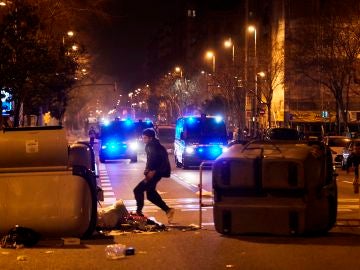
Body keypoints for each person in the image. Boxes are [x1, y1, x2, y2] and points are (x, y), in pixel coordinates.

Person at [133, 128, 175, 223]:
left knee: (138, 190)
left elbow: (156, 160)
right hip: (155, 172)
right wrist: (147, 170)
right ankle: (168, 210)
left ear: (150, 138)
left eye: (145, 137)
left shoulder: (153, 146)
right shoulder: (153, 145)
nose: (143, 139)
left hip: (155, 173)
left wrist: (152, 171)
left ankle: (139, 212)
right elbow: (151, 160)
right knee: (151, 194)